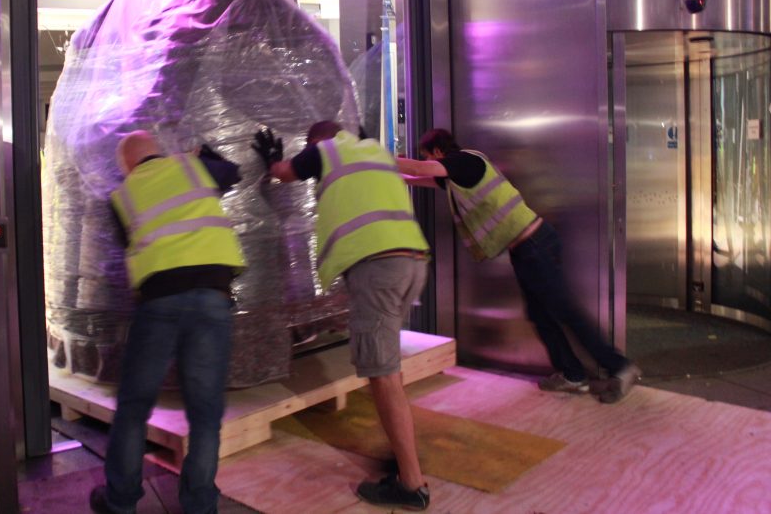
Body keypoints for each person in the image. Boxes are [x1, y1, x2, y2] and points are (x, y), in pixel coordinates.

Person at [253, 121, 432, 512]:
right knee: (390, 370)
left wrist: (270, 159)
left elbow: (283, 174)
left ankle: (411, 483)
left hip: (376, 269)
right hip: (413, 262)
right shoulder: (376, 152)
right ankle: (402, 456)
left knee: (382, 375)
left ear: (316, 140)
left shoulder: (325, 151)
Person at [396, 128, 641, 404]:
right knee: (540, 314)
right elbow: (419, 177)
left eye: (428, 155)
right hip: (528, 248)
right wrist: (393, 173)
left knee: (564, 310)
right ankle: (573, 374)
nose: (428, 162)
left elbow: (419, 168)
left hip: (535, 245)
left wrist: (376, 159)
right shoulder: (458, 176)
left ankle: (619, 367)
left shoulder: (463, 161)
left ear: (438, 152)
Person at [91, 131, 246, 514]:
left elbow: (130, 244)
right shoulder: (193, 167)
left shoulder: (121, 197)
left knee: (134, 405)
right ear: (159, 151)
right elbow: (233, 172)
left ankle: (121, 501)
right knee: (205, 412)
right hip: (212, 297)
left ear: (126, 165)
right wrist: (201, 152)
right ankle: (199, 505)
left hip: (159, 300)